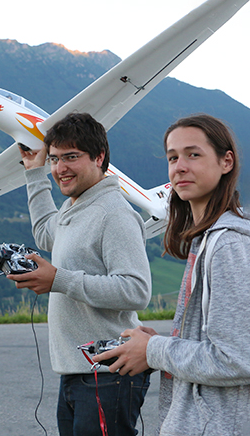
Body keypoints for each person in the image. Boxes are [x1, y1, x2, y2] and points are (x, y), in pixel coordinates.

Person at [93, 114, 250, 436]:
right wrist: (162, 343)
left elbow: (237, 358)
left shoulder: (228, 244)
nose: (180, 166)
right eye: (173, 157)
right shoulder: (208, 238)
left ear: (226, 162)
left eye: (194, 154)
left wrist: (154, 350)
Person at [7, 112, 152, 436]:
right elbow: (47, 233)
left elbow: (136, 290)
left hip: (108, 371)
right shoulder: (77, 206)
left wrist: (58, 279)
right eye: (56, 158)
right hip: (78, 370)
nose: (60, 168)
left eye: (71, 157)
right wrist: (35, 173)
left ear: (99, 157)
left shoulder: (113, 213)